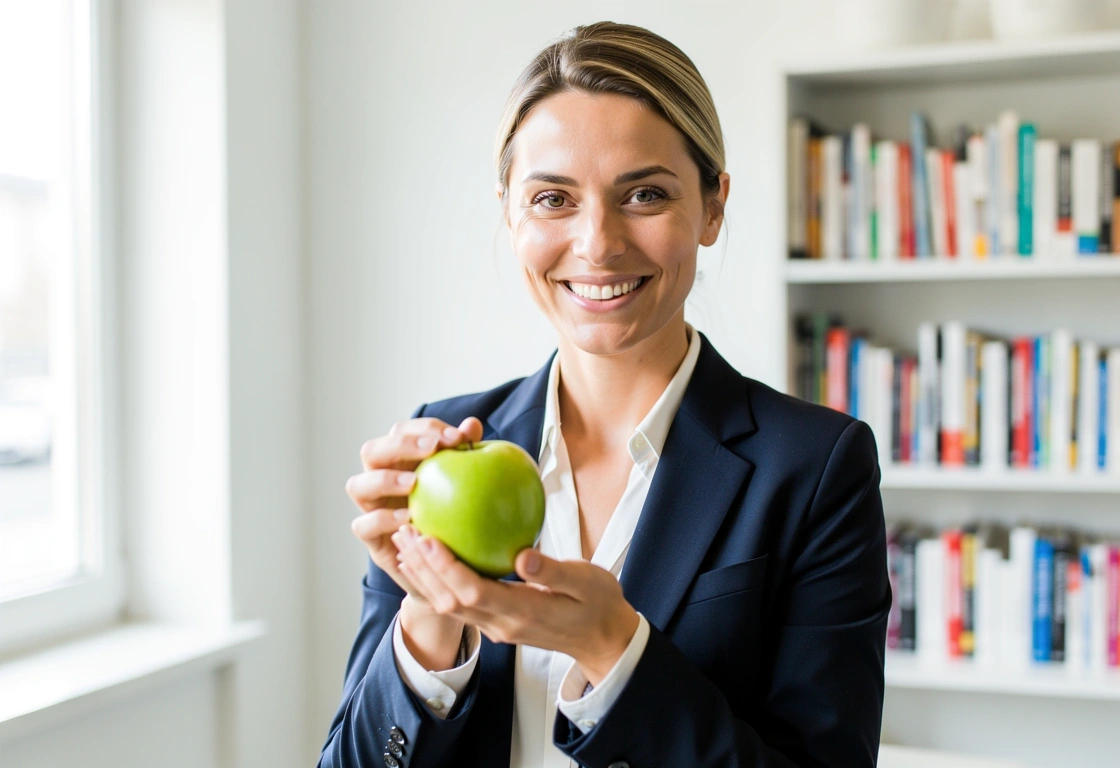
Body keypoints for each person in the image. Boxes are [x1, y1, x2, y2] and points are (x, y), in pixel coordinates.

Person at [320, 21, 889, 768]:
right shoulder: (438, 444)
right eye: (553, 199)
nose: (597, 243)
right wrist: (430, 611)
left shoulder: (815, 469)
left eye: (644, 194)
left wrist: (610, 648)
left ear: (713, 206)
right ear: (509, 213)